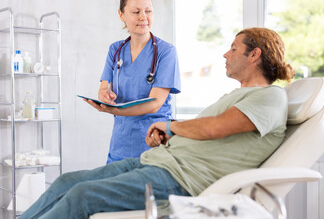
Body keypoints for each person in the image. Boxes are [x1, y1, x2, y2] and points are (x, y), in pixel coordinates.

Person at [20, 27, 295, 219]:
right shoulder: (240, 95)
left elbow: (214, 128)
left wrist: (170, 126)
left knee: (83, 195)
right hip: (158, 160)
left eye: (233, 48)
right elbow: (212, 133)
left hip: (180, 179)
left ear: (255, 55)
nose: (226, 54)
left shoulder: (270, 97)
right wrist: (170, 136)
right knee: (67, 181)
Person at [85, 0, 181, 164]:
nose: (143, 17)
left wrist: (113, 110)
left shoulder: (166, 52)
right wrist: (105, 96)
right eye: (136, 12)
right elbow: (104, 88)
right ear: (122, 15)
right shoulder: (115, 50)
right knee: (112, 189)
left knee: (148, 191)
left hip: (153, 142)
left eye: (148, 11)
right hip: (120, 143)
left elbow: (155, 103)